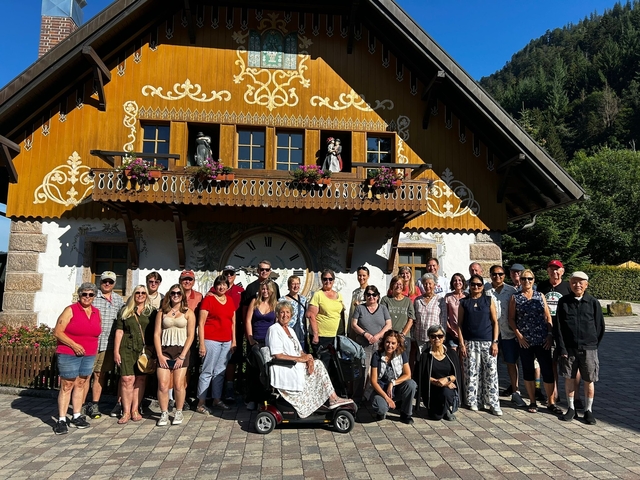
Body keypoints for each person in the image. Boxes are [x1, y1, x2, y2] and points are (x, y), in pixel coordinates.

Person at [265, 301, 352, 417]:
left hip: (294, 364)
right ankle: (333, 398)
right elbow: (278, 355)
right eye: (282, 312)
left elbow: (300, 351)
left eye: (287, 312)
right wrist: (301, 359)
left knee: (316, 363)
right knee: (319, 366)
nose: (284, 315)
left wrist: (309, 359)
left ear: (291, 315)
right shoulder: (274, 329)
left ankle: (328, 399)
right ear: (277, 314)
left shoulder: (290, 330)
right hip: (285, 367)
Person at [508, 269, 561, 414]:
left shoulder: (540, 296)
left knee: (547, 371)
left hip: (542, 339)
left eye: (530, 279)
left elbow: (548, 317)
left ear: (534, 280)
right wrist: (518, 335)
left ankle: (551, 402)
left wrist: (550, 335)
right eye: (524, 279)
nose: (527, 282)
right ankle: (532, 401)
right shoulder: (515, 297)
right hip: (525, 341)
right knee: (528, 371)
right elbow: (511, 319)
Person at [556, 271, 605, 425]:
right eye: (574, 282)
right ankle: (571, 408)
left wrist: (592, 344)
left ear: (586, 284)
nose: (577, 285)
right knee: (569, 378)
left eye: (580, 282)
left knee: (589, 379)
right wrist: (562, 348)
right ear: (570, 284)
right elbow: (558, 327)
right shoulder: (563, 302)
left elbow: (600, 326)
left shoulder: (593, 302)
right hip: (569, 348)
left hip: (588, 348)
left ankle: (588, 410)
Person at [53, 283, 102, 434]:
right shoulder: (71, 310)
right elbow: (58, 332)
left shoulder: (96, 312)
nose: (87, 297)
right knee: (67, 385)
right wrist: (74, 345)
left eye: (91, 294)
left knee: (81, 383)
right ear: (79, 295)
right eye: (84, 294)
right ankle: (61, 420)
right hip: (69, 352)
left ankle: (76, 415)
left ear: (94, 296)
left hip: (89, 353)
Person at [457, 274, 502, 416]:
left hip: (487, 342)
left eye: (479, 284)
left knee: (491, 373)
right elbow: (459, 324)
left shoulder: (488, 300)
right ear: (469, 286)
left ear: (483, 286)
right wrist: (462, 343)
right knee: (471, 373)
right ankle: (473, 401)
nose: (476, 287)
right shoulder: (464, 302)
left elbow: (495, 322)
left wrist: (495, 342)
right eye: (473, 284)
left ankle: (493, 403)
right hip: (470, 342)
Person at [83, 271, 124, 419]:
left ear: (114, 284)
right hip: (91, 343)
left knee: (100, 375)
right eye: (104, 281)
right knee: (85, 376)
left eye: (110, 282)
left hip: (108, 344)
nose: (107, 284)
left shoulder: (119, 301)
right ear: (100, 282)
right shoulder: (92, 297)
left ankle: (94, 404)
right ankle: (81, 404)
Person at [154, 284, 196, 426]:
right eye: (173, 293)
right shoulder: (162, 312)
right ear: (169, 295)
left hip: (181, 351)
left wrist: (183, 355)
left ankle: (178, 411)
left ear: (182, 295)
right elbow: (156, 334)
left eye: (178, 293)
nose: (176, 295)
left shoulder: (188, 312)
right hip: (165, 350)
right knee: (163, 385)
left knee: (179, 384)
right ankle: (164, 413)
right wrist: (159, 354)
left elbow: (191, 336)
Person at [113, 285, 156, 424]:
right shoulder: (125, 311)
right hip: (127, 347)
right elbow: (119, 331)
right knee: (127, 379)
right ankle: (125, 411)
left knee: (140, 379)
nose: (140, 295)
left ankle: (135, 409)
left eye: (143, 293)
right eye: (138, 292)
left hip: (144, 349)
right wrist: (116, 351)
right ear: (133, 294)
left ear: (146, 295)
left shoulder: (152, 312)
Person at [195, 276, 236, 415]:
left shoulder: (230, 300)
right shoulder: (209, 300)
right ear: (215, 286)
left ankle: (216, 399)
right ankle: (201, 403)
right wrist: (201, 343)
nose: (222, 287)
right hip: (211, 340)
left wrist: (234, 341)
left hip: (226, 341)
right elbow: (201, 323)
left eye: (224, 285)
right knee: (207, 371)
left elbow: (233, 322)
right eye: (219, 285)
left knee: (220, 372)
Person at [485, 265, 524, 407]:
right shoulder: (485, 290)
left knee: (511, 363)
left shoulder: (511, 291)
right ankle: (490, 392)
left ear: (504, 275)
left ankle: (516, 392)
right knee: (490, 363)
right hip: (490, 333)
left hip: (508, 333)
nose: (497, 277)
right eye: (494, 274)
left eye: (500, 274)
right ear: (490, 275)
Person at [537, 259, 572, 406]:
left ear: (562, 271)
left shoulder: (567, 287)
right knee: (551, 362)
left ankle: (573, 397)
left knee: (569, 364)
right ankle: (554, 394)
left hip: (564, 331)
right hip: (547, 330)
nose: (554, 272)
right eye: (551, 269)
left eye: (557, 269)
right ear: (548, 271)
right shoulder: (542, 286)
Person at [350, 285, 392, 402]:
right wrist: (365, 334)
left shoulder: (383, 308)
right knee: (362, 372)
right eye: (368, 295)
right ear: (365, 296)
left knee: (379, 372)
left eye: (374, 295)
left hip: (379, 345)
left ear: (378, 296)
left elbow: (389, 324)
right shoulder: (360, 308)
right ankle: (357, 398)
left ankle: (373, 397)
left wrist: (378, 335)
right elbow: (354, 324)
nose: (371, 297)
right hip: (364, 346)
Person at [369, 330, 417, 424]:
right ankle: (383, 409)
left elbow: (408, 374)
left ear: (398, 344)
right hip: (381, 389)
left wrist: (393, 383)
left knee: (411, 384)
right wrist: (387, 399)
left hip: (396, 388)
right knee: (380, 408)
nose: (389, 345)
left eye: (393, 343)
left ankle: (405, 413)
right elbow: (373, 381)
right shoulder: (377, 355)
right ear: (383, 342)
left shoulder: (401, 354)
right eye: (387, 342)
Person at [416, 325, 461, 421]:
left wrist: (446, 380)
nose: (437, 338)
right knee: (435, 417)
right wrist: (437, 382)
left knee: (446, 392)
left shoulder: (451, 354)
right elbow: (421, 375)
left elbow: (457, 374)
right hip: (432, 389)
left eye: (440, 336)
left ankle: (446, 409)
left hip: (448, 388)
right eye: (433, 336)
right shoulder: (425, 355)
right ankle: (441, 409)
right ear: (429, 338)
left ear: (444, 337)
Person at [245, 279, 278, 410]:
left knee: (266, 372)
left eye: (267, 289)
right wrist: (250, 339)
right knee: (253, 371)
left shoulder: (275, 305)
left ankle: (264, 400)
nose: (265, 291)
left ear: (271, 290)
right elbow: (248, 321)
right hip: (256, 341)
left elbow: (277, 324)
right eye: (263, 289)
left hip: (269, 342)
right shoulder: (255, 302)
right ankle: (252, 399)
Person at [307, 269, 346, 367]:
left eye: (330, 279)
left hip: (336, 336)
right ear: (321, 280)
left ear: (333, 280)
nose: (327, 281)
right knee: (324, 365)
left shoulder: (339, 296)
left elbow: (341, 314)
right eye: (325, 279)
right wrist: (315, 334)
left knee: (335, 366)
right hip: (322, 337)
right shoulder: (318, 295)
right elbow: (311, 315)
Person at [218, 265, 245, 403]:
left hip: (236, 330)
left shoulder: (240, 291)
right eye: (227, 273)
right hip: (218, 330)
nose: (229, 276)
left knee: (232, 360)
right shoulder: (216, 289)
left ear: (235, 275)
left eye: (231, 273)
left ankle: (230, 387)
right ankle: (217, 389)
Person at [381, 276, 415, 357]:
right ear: (392, 285)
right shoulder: (386, 300)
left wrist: (402, 334)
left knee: (404, 363)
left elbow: (411, 319)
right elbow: (382, 318)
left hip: (403, 337)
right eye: (396, 284)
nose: (398, 286)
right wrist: (390, 334)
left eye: (400, 284)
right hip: (389, 337)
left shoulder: (407, 301)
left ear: (403, 286)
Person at [413, 273, 447, 355]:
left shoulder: (440, 300)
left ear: (434, 285)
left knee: (434, 358)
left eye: (430, 283)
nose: (427, 286)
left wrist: (442, 336)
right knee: (421, 360)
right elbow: (414, 319)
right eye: (425, 283)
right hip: (420, 336)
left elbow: (443, 319)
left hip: (435, 337)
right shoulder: (417, 300)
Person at [279, 274, 308, 352]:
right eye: (293, 284)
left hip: (301, 334)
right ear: (289, 285)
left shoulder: (304, 300)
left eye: (298, 284)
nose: (296, 286)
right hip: (287, 334)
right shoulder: (282, 300)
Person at [444, 273, 466, 351]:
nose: (457, 282)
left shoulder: (467, 296)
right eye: (455, 280)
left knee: (464, 357)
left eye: (459, 280)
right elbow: (444, 315)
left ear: (463, 282)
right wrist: (449, 329)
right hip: (452, 332)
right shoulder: (448, 297)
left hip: (465, 332)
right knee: (453, 356)